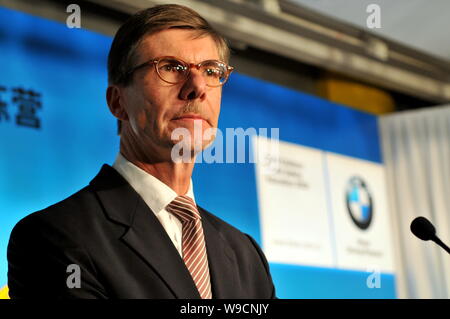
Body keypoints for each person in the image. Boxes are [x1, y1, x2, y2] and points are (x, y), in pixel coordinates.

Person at [7, 4, 276, 299]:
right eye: (171, 68)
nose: (197, 87)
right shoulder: (54, 237)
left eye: (212, 71)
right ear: (118, 102)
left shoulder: (245, 254)